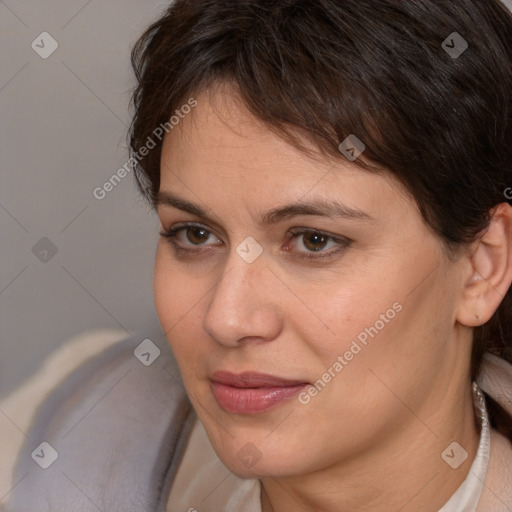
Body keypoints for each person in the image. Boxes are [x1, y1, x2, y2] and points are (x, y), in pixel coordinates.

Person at [4, 0, 512, 510]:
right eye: (195, 234)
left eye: (315, 240)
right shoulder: (67, 435)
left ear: (482, 269)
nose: (226, 319)